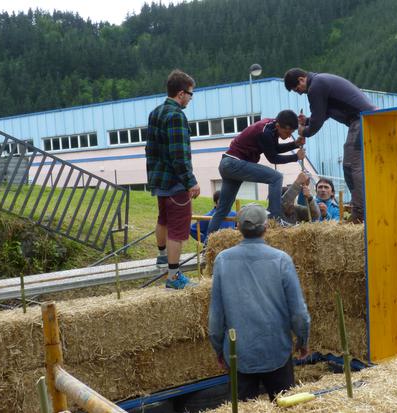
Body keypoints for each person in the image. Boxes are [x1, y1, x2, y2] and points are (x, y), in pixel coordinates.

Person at [208, 204, 311, 401]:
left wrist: (219, 348)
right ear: (266, 228)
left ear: (237, 228)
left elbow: (216, 315)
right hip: (277, 351)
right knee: (285, 404)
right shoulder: (281, 260)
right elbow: (298, 312)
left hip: (239, 354)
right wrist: (302, 341)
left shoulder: (223, 260)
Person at [284, 68, 376, 223]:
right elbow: (324, 113)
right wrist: (307, 121)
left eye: (297, 89)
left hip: (362, 120)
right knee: (354, 165)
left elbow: (317, 122)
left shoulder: (315, 87)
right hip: (368, 117)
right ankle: (362, 207)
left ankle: (360, 212)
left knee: (351, 166)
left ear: (301, 79)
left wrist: (302, 131)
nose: (299, 93)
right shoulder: (321, 81)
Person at [205, 110, 305, 238]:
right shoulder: (265, 132)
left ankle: (207, 247)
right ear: (278, 126)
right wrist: (295, 157)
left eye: (291, 133)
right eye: (286, 132)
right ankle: (275, 217)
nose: (288, 136)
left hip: (227, 164)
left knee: (222, 210)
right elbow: (273, 158)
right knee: (276, 177)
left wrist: (294, 144)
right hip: (234, 163)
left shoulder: (271, 126)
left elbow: (274, 148)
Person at [146, 69, 199, 289]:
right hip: (175, 182)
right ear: (180, 93)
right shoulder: (176, 116)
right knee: (178, 229)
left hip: (159, 179)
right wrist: (191, 181)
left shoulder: (155, 112)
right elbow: (179, 155)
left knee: (163, 220)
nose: (190, 98)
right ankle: (174, 277)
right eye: (190, 94)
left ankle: (162, 257)